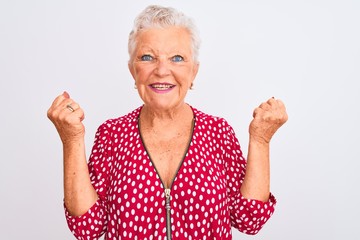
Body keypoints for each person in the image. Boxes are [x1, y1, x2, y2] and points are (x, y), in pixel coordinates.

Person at [47, 5, 288, 240]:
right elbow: (86, 228)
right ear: (133, 70)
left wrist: (260, 139)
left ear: (194, 71)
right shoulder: (112, 134)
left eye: (177, 58)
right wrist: (71, 139)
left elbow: (250, 219)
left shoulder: (218, 132)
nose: (162, 70)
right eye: (147, 57)